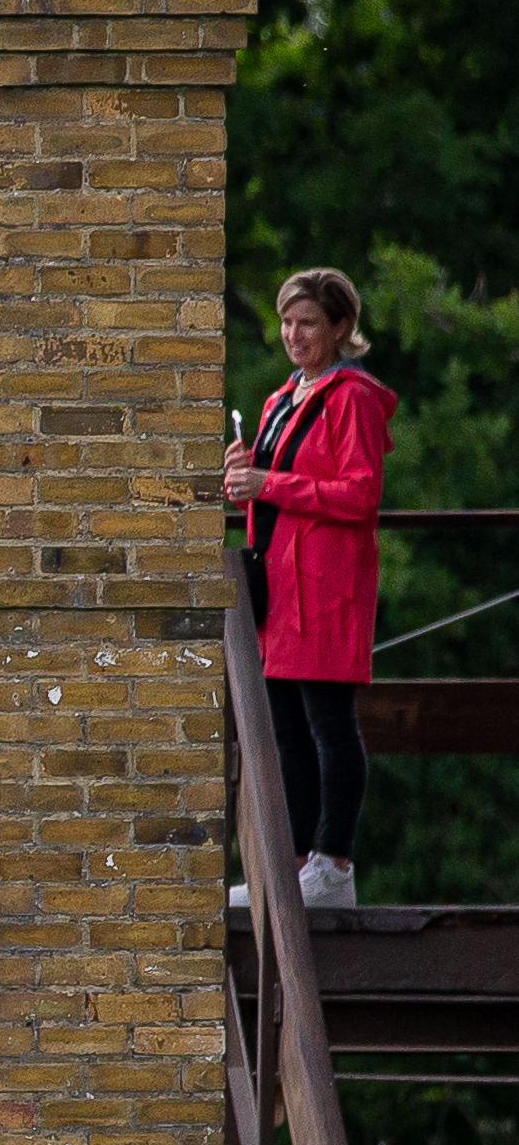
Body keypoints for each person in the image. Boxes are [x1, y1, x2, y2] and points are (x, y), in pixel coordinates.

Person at [226, 266, 396, 911]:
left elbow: (360, 494)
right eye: (287, 321)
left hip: (325, 585)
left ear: (342, 328)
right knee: (285, 729)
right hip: (279, 584)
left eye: (309, 323)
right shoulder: (278, 400)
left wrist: (267, 485)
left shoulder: (351, 398)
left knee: (329, 723)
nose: (294, 334)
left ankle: (335, 863)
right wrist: (242, 477)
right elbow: (269, 486)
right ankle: (293, 868)